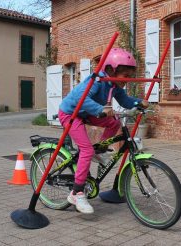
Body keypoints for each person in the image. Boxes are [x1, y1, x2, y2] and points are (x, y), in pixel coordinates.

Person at [58, 48, 149, 214]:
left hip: (88, 112)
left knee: (113, 124)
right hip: (71, 113)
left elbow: (126, 100)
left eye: (130, 76)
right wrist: (100, 109)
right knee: (85, 149)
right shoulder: (96, 82)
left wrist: (138, 103)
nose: (127, 80)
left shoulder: (113, 85)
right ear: (110, 70)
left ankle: (98, 150)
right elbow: (80, 98)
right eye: (125, 76)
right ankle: (77, 192)